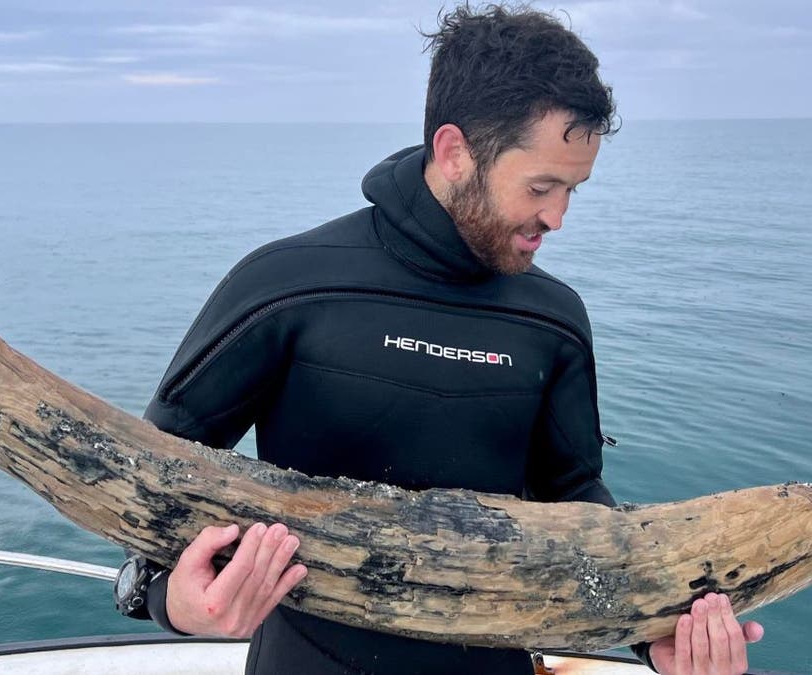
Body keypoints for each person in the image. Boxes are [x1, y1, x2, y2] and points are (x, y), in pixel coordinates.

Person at [117, 5, 763, 674]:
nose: (559, 217)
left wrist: (651, 631)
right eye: (541, 186)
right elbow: (144, 483)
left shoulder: (553, 319)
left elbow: (576, 500)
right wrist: (170, 600)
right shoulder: (287, 287)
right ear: (455, 152)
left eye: (574, 188)